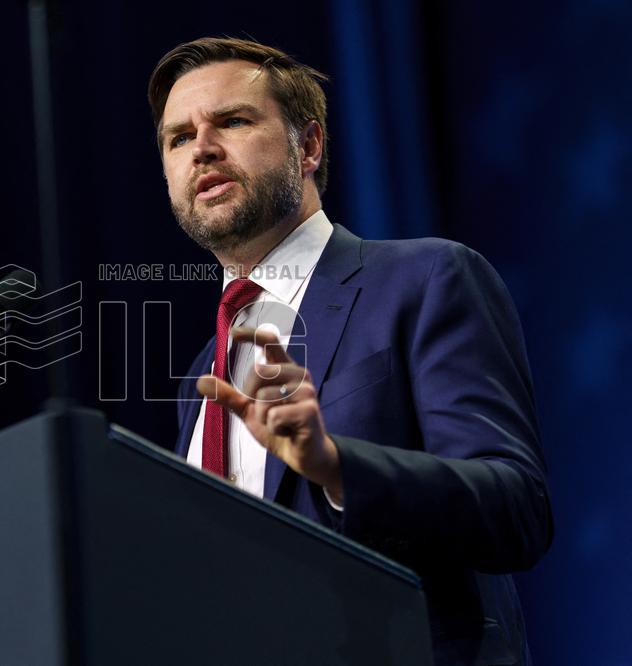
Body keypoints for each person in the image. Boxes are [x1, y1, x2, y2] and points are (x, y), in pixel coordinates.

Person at [149, 37, 553, 665]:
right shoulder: (202, 375)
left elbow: (515, 508)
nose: (202, 147)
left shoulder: (426, 279)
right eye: (179, 138)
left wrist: (337, 467)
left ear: (308, 146)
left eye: (233, 121)